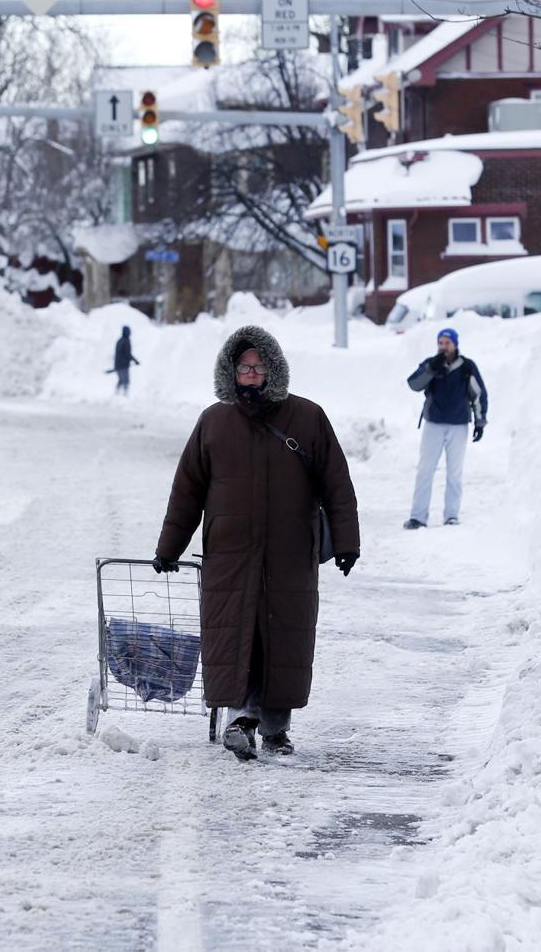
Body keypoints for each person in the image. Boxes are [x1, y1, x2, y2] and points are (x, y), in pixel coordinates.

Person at [152, 325, 360, 762]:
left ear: (273, 370)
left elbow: (336, 483)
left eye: (258, 366)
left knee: (282, 640)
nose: (251, 374)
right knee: (238, 636)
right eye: (243, 367)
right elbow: (187, 489)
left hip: (288, 555)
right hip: (232, 556)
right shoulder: (213, 421)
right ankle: (242, 719)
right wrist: (169, 547)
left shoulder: (307, 417)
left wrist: (347, 542)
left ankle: (275, 730)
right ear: (231, 371)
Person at [403, 327, 487, 529]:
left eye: (447, 343)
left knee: (454, 472)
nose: (443, 347)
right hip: (433, 424)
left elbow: (479, 394)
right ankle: (418, 516)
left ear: (455, 344)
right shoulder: (431, 365)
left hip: (458, 425)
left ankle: (451, 514)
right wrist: (431, 368)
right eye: (440, 343)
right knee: (425, 470)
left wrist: (480, 422)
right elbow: (414, 384)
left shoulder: (466, 367)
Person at [113, 326, 139, 394]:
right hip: (123, 365)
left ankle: (116, 394)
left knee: (121, 380)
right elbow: (127, 354)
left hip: (118, 364)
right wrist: (135, 360)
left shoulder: (119, 340)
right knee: (125, 381)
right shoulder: (126, 341)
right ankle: (125, 395)